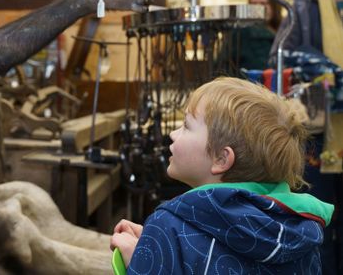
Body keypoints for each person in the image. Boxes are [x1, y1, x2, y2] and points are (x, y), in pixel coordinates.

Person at [109, 77, 333, 274]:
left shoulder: (168, 225)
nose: (173, 134)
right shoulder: (299, 234)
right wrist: (157, 243)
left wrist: (141, 260)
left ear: (221, 159)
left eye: (187, 126)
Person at [269, 0, 343, 275]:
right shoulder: (305, 0)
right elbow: (280, 52)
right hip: (319, 127)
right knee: (320, 221)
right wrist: (330, 71)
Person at [222, 0, 282, 72]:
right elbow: (223, 65)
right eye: (253, 4)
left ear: (274, 6)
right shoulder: (240, 32)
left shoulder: (285, 29)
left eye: (263, 3)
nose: (257, 8)